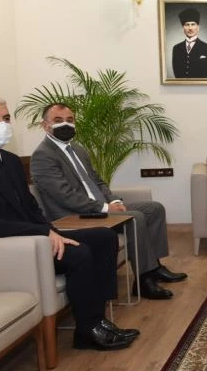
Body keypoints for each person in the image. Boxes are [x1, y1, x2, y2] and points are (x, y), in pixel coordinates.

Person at [0, 94, 138, 350]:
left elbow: (30, 207)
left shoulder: (10, 161)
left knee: (103, 237)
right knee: (79, 253)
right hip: (3, 247)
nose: (2, 125)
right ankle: (87, 331)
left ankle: (96, 319)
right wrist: (43, 233)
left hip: (33, 236)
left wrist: (51, 231)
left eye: (6, 118)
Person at [31, 104, 187, 300]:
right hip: (73, 216)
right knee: (135, 217)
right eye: (58, 120)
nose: (66, 124)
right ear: (45, 125)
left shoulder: (78, 149)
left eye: (70, 120)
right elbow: (65, 195)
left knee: (154, 208)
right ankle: (144, 280)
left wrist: (113, 200)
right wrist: (105, 207)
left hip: (98, 208)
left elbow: (97, 181)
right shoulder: (43, 155)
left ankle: (154, 267)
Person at [171, 7, 207, 79]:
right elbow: (177, 74)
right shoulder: (176, 48)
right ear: (183, 28)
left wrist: (202, 83)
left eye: (193, 24)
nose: (190, 28)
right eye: (187, 24)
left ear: (198, 27)